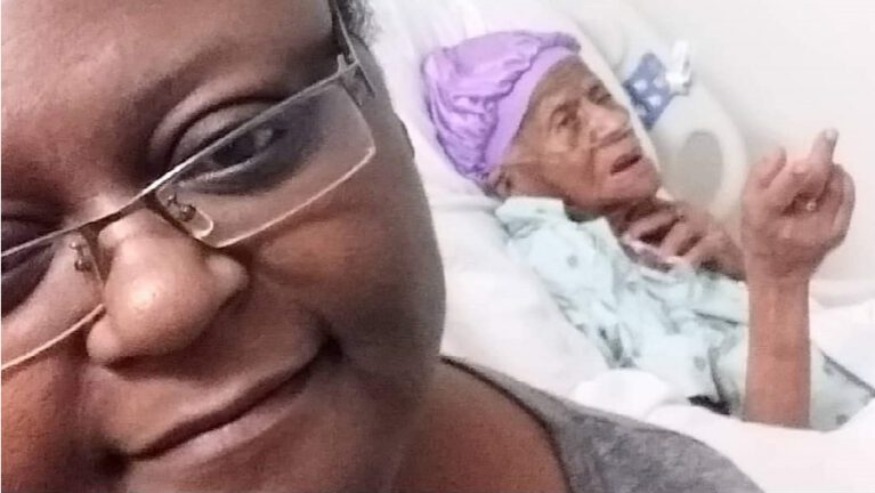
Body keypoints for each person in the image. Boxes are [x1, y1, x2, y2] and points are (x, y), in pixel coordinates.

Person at [0, 1, 847, 491]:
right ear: (503, 173)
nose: (161, 298)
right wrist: (780, 280)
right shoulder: (547, 253)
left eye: (238, 143)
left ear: (385, 116)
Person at [423, 30, 870, 430]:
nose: (615, 122)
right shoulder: (559, 255)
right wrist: (778, 277)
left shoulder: (641, 233)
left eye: (601, 97)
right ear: (508, 181)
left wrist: (743, 267)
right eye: (567, 121)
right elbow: (744, 454)